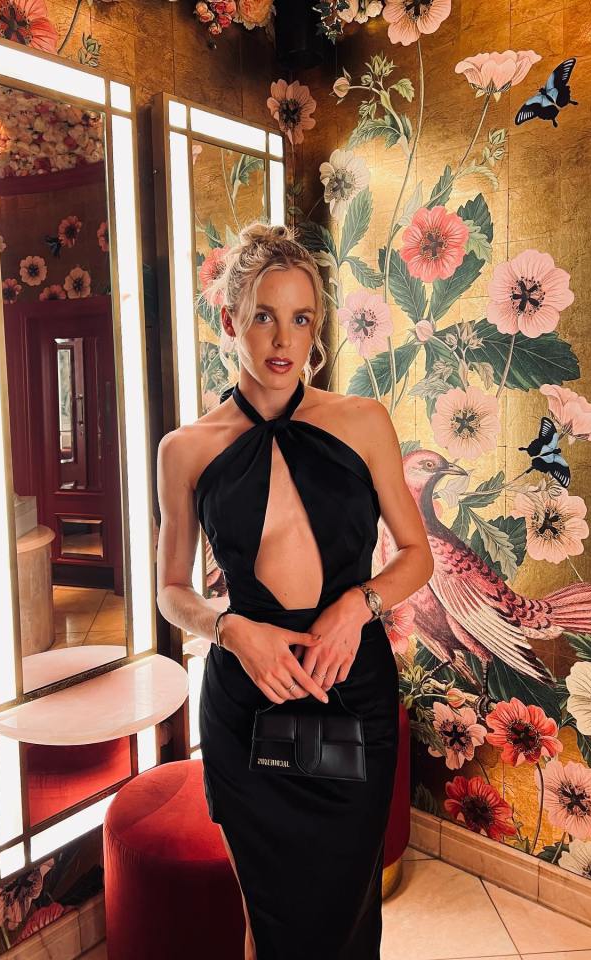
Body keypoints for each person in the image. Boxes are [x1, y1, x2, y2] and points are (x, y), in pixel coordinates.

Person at [155, 221, 434, 959]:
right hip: (247, 703)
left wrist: (359, 603)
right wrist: (228, 628)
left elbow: (416, 556)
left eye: (302, 317)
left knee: (346, 917)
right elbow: (170, 591)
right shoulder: (185, 450)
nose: (285, 340)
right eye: (264, 316)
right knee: (270, 922)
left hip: (353, 689)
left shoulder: (362, 422)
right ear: (229, 322)